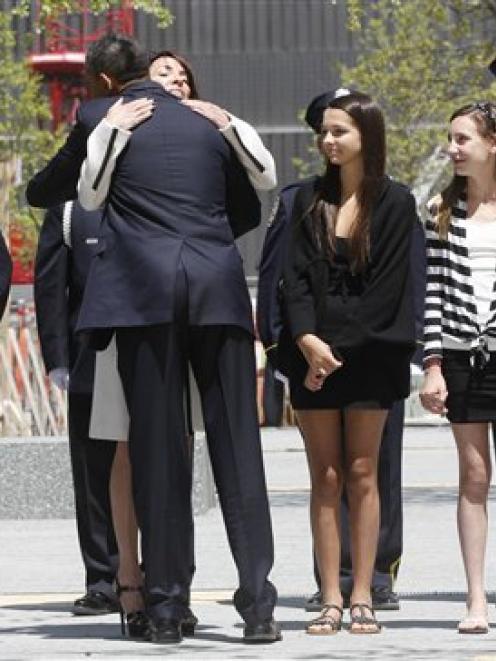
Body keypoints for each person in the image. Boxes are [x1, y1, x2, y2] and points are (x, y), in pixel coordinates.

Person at [27, 33, 280, 645]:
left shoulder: (100, 116)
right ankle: (259, 605)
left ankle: (164, 610)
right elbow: (256, 195)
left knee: (158, 454)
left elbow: (85, 195)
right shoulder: (207, 122)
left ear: (105, 81)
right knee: (238, 450)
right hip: (217, 290)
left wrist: (110, 132)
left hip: (144, 298)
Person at [280, 90, 417, 634]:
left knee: (363, 473)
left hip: (371, 356)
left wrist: (332, 353)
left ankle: (363, 592)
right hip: (313, 355)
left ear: (368, 136)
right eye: (325, 132)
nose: (328, 140)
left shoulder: (396, 201)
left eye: (340, 131)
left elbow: (386, 294)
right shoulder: (305, 199)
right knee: (325, 477)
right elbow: (293, 281)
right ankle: (330, 595)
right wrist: (307, 343)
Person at [420, 101, 496, 635]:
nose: (453, 148)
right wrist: (432, 365)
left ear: (492, 144)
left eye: (464, 138)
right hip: (463, 358)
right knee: (473, 476)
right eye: (452, 138)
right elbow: (432, 296)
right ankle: (475, 600)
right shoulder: (439, 210)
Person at [34, 201, 119, 617]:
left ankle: (160, 576)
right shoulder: (68, 209)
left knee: (156, 471)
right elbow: (51, 286)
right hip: (88, 360)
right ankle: (103, 579)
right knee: (92, 474)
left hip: (153, 356)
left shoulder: (153, 190)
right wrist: (57, 359)